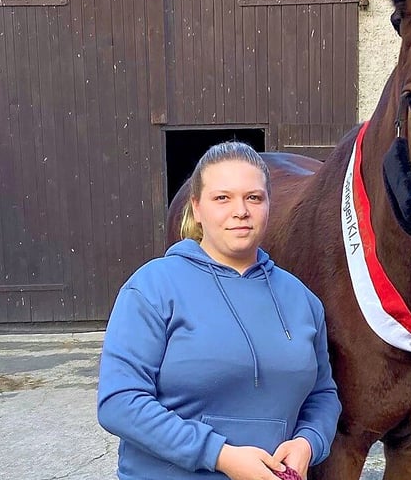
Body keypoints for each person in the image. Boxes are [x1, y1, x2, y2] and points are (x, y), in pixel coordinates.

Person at [97, 141, 341, 480]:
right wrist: (220, 455)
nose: (240, 211)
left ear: (269, 205)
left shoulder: (301, 300)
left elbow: (323, 394)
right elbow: (119, 403)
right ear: (196, 208)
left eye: (253, 197)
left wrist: (308, 442)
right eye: (222, 198)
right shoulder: (152, 288)